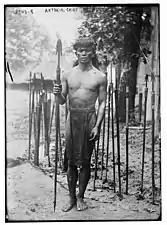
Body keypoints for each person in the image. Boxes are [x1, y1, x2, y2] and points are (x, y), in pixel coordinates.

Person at [53, 37, 107, 212]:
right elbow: (62, 101)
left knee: (85, 162)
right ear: (76, 52)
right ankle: (71, 198)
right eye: (80, 50)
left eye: (87, 50)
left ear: (93, 52)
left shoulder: (99, 76)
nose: (84, 53)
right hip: (72, 117)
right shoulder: (67, 75)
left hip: (89, 117)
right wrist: (57, 94)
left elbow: (103, 103)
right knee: (71, 161)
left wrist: (97, 125)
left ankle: (81, 197)